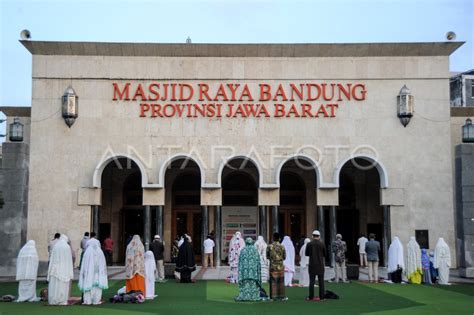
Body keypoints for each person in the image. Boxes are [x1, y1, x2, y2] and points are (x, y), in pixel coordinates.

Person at [78, 238, 108, 305]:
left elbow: (84, 264)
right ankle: (96, 301)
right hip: (98, 274)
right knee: (97, 287)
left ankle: (87, 301)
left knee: (88, 286)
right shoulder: (100, 252)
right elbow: (103, 264)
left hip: (89, 275)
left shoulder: (87, 252)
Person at [47, 234, 74, 305]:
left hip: (55, 269)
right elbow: (69, 259)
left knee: (55, 285)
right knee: (62, 285)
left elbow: (52, 258)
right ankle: (62, 300)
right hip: (64, 268)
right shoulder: (67, 247)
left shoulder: (56, 246)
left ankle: (53, 299)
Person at [305, 230, 326, 301]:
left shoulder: (309, 244)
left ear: (312, 236)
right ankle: (322, 297)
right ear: (319, 236)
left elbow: (306, 254)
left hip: (312, 265)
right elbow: (325, 254)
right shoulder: (322, 244)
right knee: (321, 282)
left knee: (311, 282)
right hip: (320, 265)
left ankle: (311, 297)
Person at [266, 232, 286, 301]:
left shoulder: (269, 246)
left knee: (273, 281)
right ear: (279, 239)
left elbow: (267, 256)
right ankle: (281, 296)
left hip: (273, 266)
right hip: (280, 266)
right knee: (281, 281)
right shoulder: (282, 246)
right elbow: (284, 257)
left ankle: (273, 296)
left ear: (273, 238)